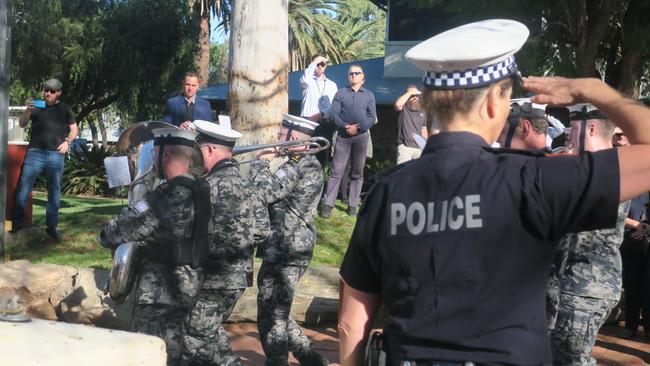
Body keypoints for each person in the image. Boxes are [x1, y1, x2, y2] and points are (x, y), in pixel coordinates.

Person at [337, 19, 650, 366]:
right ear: (491, 103)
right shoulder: (535, 180)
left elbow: (351, 324)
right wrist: (595, 91)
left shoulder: (385, 192)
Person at [99, 127, 210, 366]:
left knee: (147, 350)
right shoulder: (200, 188)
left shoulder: (168, 194)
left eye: (155, 152)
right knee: (174, 349)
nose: (151, 159)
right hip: (189, 282)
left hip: (161, 288)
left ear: (166, 154)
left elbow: (127, 227)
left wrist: (106, 233)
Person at [547, 104, 630, 365]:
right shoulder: (586, 167)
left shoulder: (609, 170)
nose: (567, 135)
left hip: (586, 287)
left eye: (573, 128)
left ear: (591, 128)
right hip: (568, 283)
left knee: (571, 361)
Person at [182, 120, 266, 365]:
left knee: (194, 341)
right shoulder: (249, 186)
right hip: (238, 279)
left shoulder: (206, 187)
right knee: (210, 332)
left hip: (210, 280)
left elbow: (186, 229)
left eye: (198, 150)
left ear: (208, 151)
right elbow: (262, 231)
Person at [251, 114, 328, 366]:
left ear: (293, 138)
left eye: (281, 135)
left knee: (273, 315)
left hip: (287, 249)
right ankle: (308, 356)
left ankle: (278, 361)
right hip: (287, 246)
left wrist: (259, 163)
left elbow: (264, 192)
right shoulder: (303, 163)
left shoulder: (298, 166)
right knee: (274, 308)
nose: (276, 139)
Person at [11, 78, 78, 241]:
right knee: (24, 187)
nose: (47, 93)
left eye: (52, 91)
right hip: (35, 153)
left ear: (59, 93)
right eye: (46, 90)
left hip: (56, 155)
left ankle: (52, 227)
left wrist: (67, 143)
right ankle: (17, 224)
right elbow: (21, 124)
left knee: (54, 191)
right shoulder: (37, 106)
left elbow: (74, 130)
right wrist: (27, 110)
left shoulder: (65, 109)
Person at [321, 65, 377, 217]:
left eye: (356, 73)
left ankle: (352, 205)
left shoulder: (369, 95)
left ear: (362, 77)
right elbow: (333, 114)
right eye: (351, 73)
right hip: (343, 136)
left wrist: (358, 128)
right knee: (336, 170)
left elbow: (372, 117)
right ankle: (328, 204)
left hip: (361, 137)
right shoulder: (341, 93)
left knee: (358, 172)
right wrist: (345, 126)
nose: (353, 75)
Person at [614, 127, 650, 339]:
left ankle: (647, 326)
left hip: (645, 235)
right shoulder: (614, 167)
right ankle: (631, 324)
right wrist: (636, 225)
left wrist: (645, 227)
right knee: (632, 283)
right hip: (627, 236)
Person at [300, 54, 338, 169]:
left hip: (323, 122)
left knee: (321, 157)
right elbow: (304, 79)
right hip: (307, 121)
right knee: (304, 155)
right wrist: (314, 63)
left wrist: (321, 114)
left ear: (326, 66)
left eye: (322, 64)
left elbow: (334, 105)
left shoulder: (332, 85)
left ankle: (318, 183)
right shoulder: (307, 81)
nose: (319, 66)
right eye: (317, 64)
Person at [394, 85, 428, 164]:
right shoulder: (403, 108)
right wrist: (411, 92)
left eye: (416, 95)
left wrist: (425, 146)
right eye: (412, 95)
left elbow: (424, 129)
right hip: (405, 147)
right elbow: (397, 105)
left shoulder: (422, 110)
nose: (415, 97)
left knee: (420, 173)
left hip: (419, 148)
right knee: (402, 172)